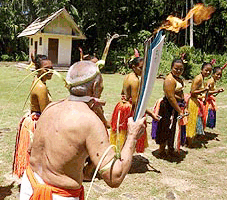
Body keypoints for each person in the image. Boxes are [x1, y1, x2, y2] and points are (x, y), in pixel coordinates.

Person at [19, 61, 146, 200]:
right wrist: (132, 136)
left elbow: (31, 149)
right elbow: (114, 177)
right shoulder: (90, 121)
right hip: (57, 195)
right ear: (95, 86)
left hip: (29, 186)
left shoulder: (51, 107)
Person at [13, 55, 53, 178]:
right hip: (38, 123)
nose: (51, 71)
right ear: (37, 69)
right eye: (47, 68)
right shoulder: (41, 87)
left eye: (52, 68)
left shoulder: (38, 82)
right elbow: (45, 112)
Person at [109, 54, 159, 153]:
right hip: (128, 109)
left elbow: (122, 93)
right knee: (127, 134)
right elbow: (136, 103)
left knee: (121, 133)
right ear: (133, 67)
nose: (143, 70)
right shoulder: (135, 80)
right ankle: (123, 158)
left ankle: (120, 155)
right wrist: (151, 113)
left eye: (145, 68)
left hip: (122, 106)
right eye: (141, 68)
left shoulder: (128, 76)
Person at [153, 59, 186, 157]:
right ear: (171, 68)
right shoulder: (170, 79)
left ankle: (170, 148)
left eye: (181, 69)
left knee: (173, 128)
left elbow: (180, 93)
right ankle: (162, 150)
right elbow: (170, 97)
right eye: (176, 69)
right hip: (168, 107)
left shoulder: (179, 78)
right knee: (165, 127)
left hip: (176, 107)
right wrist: (179, 111)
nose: (178, 71)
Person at [186, 62, 212, 146]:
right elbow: (192, 92)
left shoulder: (202, 78)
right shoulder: (198, 78)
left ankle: (190, 141)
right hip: (192, 101)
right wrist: (204, 90)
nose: (208, 72)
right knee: (191, 122)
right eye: (206, 70)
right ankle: (189, 142)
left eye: (210, 71)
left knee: (194, 122)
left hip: (196, 101)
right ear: (202, 69)